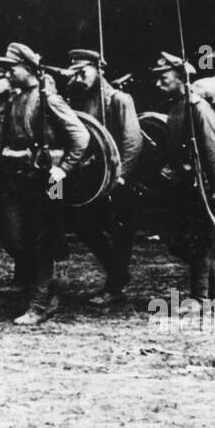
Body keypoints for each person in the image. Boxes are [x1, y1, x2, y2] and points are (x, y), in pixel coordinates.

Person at [0, 43, 89, 325]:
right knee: (14, 237)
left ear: (29, 68)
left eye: (12, 68)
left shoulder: (48, 100)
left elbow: (81, 138)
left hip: (48, 181)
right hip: (17, 178)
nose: (8, 73)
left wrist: (64, 169)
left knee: (44, 239)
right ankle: (50, 285)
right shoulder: (13, 99)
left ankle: (39, 305)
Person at [63, 48, 143, 306]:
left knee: (120, 232)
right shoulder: (79, 100)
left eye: (83, 72)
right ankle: (117, 274)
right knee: (84, 226)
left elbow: (133, 141)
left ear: (99, 70)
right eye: (74, 73)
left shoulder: (119, 99)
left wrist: (121, 178)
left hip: (118, 179)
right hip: (91, 180)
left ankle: (115, 285)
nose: (78, 78)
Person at [152, 51, 215, 300]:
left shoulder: (199, 108)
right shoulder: (177, 108)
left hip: (199, 185)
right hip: (181, 185)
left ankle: (201, 296)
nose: (158, 84)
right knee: (178, 241)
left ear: (181, 78)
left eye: (164, 78)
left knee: (198, 241)